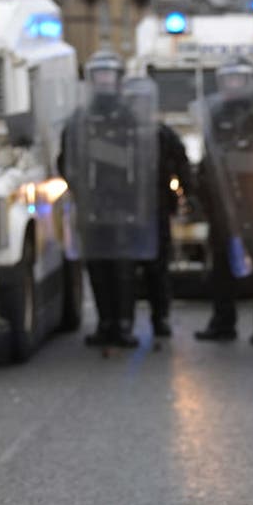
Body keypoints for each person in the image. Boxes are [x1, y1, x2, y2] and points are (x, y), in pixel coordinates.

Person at [59, 51, 157, 347]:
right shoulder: (80, 118)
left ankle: (124, 324)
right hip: (93, 201)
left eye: (108, 75)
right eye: (97, 75)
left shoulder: (128, 116)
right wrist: (78, 187)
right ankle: (105, 322)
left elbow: (143, 160)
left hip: (124, 200)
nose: (103, 81)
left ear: (118, 80)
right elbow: (67, 159)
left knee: (123, 266)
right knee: (98, 265)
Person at [194, 59, 253, 344]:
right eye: (227, 80)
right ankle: (223, 322)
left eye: (238, 79)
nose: (233, 85)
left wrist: (240, 157)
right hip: (222, 198)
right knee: (220, 261)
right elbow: (208, 156)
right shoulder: (216, 113)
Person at [141, 119, 195, 338]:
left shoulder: (160, 132)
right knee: (122, 271)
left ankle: (159, 317)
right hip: (124, 208)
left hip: (156, 207)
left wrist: (188, 193)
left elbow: (181, 162)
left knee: (157, 267)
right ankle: (119, 323)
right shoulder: (119, 129)